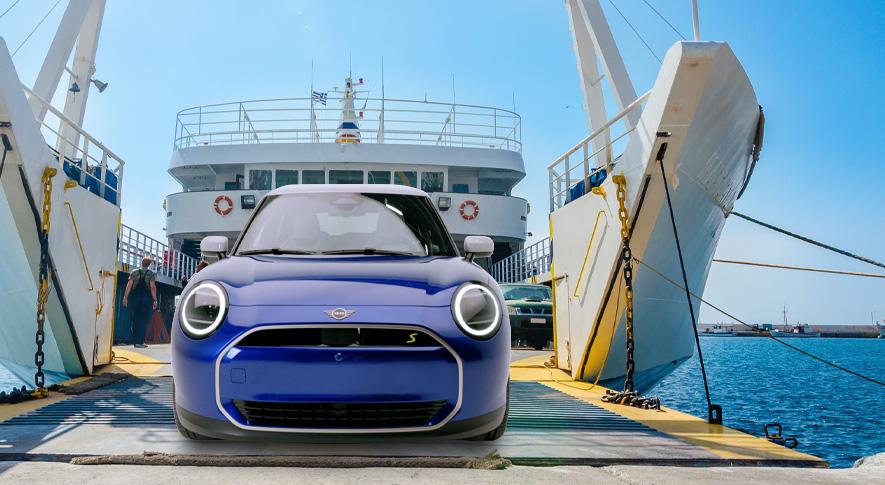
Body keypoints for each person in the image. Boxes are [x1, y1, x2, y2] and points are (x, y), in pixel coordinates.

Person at [123, 256, 158, 348]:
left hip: (135, 298)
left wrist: (125, 297)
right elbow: (152, 287)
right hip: (146, 299)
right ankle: (140, 341)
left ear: (141, 262)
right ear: (149, 264)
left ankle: (136, 342)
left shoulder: (134, 272)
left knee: (135, 319)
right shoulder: (150, 274)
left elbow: (129, 285)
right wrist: (155, 300)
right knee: (143, 321)